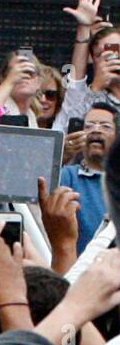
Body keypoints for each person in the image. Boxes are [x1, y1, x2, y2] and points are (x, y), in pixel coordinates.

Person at [59, 101, 117, 251]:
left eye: (105, 126)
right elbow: (38, 193)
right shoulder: (68, 175)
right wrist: (60, 157)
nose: (96, 130)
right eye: (89, 126)